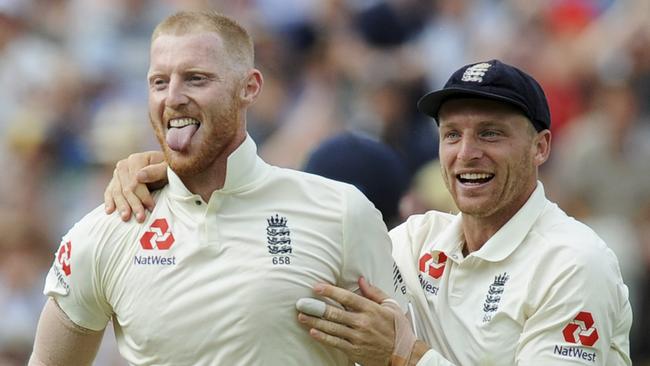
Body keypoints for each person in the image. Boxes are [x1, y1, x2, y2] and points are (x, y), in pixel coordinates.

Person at [106, 60, 633, 365]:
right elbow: (284, 236)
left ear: (541, 147)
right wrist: (175, 169)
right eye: (452, 134)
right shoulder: (418, 241)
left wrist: (406, 356)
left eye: (491, 134)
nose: (466, 153)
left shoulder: (573, 261)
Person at [29, 10, 407, 365]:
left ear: (249, 87)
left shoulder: (341, 212)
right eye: (159, 82)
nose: (173, 98)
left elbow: (403, 351)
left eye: (196, 78)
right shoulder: (108, 229)